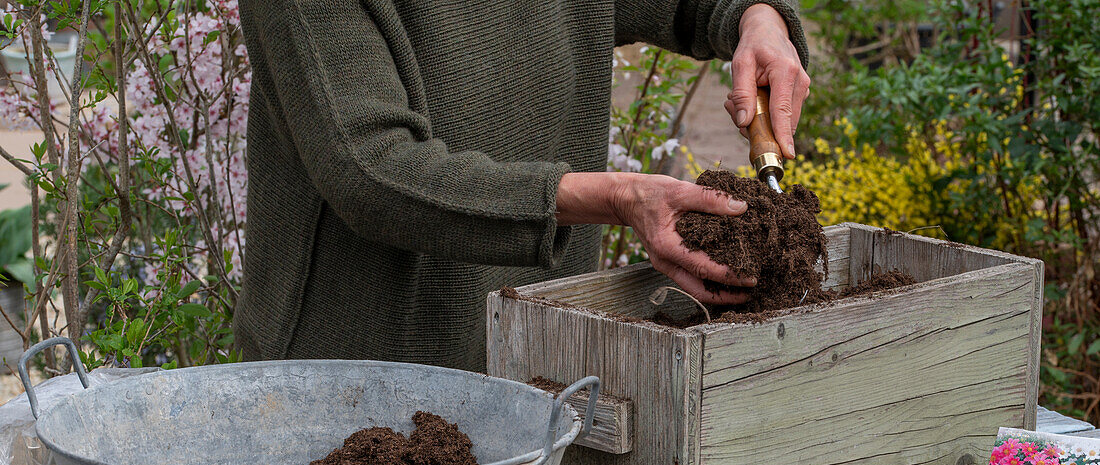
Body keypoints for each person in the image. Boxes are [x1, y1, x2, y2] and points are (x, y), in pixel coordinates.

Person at [234, 0, 810, 372]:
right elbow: (372, 169)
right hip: (360, 369)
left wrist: (758, 19)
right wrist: (619, 199)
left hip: (541, 342)